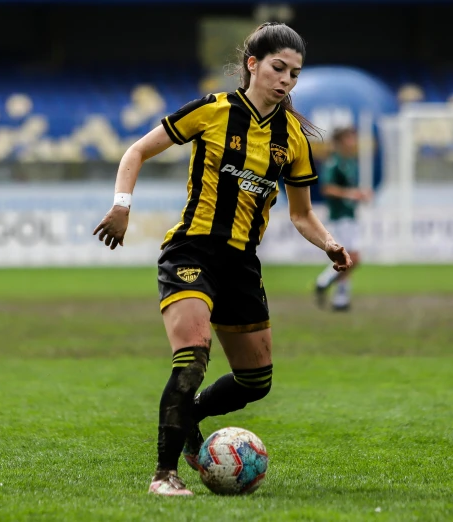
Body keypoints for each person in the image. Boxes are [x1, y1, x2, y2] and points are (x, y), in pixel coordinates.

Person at [92, 22, 352, 496]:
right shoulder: (213, 111)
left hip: (241, 264)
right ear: (253, 64)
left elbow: (303, 214)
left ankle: (187, 415)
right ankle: (164, 475)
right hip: (192, 249)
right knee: (192, 359)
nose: (286, 80)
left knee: (256, 381)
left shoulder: (293, 138)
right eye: (278, 68)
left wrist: (329, 243)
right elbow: (136, 152)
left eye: (294, 74)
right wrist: (121, 207)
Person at [314, 126, 372, 311]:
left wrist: (360, 194)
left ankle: (340, 299)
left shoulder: (351, 162)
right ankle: (324, 281)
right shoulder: (334, 162)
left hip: (350, 216)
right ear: (340, 141)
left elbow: (350, 190)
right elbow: (327, 188)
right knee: (351, 258)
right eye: (349, 138)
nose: (353, 141)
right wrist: (351, 194)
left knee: (349, 260)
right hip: (339, 217)